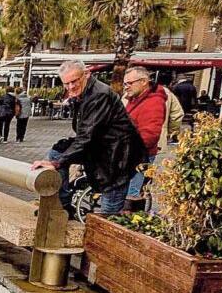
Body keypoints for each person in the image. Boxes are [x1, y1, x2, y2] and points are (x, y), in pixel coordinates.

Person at [32, 60, 146, 216]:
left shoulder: (99, 95)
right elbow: (84, 133)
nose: (71, 86)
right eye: (66, 83)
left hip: (117, 157)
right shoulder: (82, 94)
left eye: (74, 81)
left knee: (108, 214)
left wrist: (57, 163)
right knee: (57, 153)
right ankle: (62, 205)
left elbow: (87, 135)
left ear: (86, 75)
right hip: (100, 147)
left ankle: (106, 228)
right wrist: (57, 160)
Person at [122, 66, 166, 206]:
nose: (126, 87)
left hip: (140, 156)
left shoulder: (154, 102)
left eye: (130, 83)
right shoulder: (136, 99)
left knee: (132, 194)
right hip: (130, 153)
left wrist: (128, 149)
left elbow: (150, 134)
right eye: (125, 84)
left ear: (143, 82)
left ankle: (130, 223)